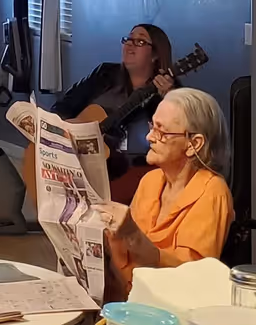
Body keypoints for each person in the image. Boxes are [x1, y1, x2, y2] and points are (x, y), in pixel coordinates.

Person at [103, 87, 235, 289]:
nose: (149, 137)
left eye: (160, 131)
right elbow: (125, 259)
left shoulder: (212, 192)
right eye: (152, 126)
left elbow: (191, 278)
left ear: (193, 144)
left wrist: (132, 236)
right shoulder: (151, 180)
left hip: (167, 312)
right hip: (122, 299)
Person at [54, 24, 176, 189]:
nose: (130, 44)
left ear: (155, 54)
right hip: (79, 156)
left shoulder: (169, 92)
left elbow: (173, 139)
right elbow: (64, 106)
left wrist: (168, 98)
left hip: (131, 167)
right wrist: (68, 130)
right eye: (128, 39)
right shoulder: (105, 73)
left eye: (140, 41)